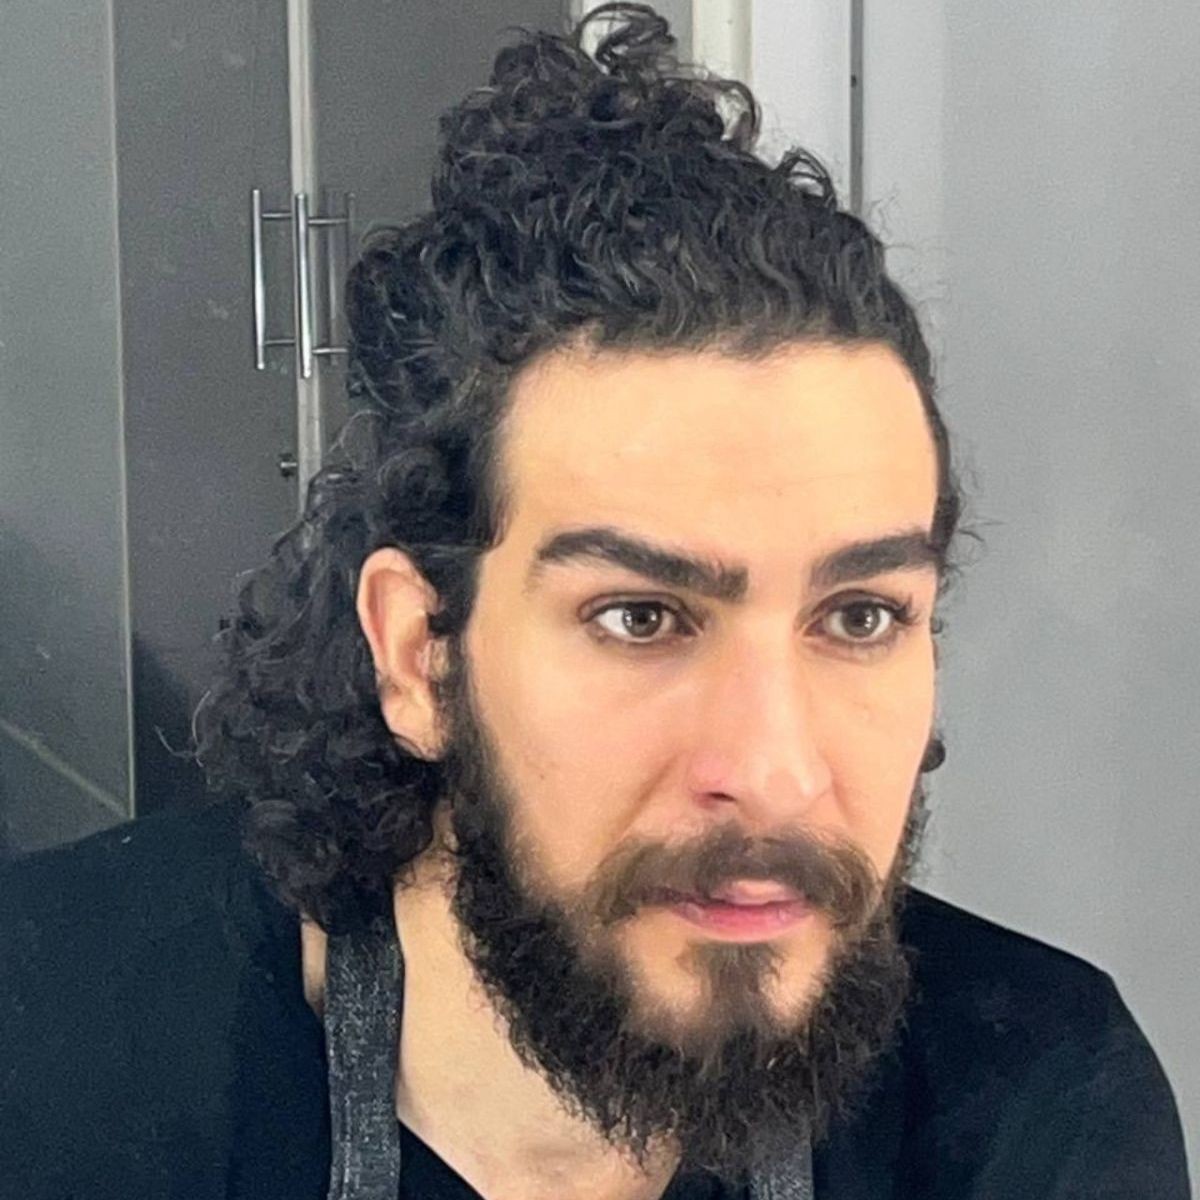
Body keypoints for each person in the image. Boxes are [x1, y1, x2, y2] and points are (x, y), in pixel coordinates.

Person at [0, 5, 1190, 1198]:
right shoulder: (54, 1050)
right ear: (420, 654)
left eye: (859, 617)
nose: (775, 774)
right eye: (641, 618)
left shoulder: (1040, 1105)